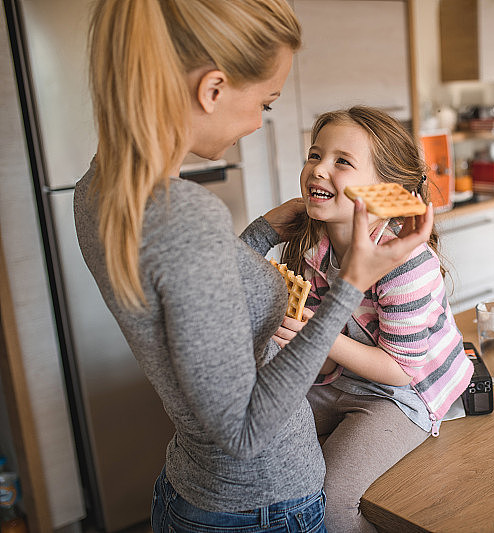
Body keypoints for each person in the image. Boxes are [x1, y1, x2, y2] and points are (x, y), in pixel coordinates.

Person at [74, 2, 433, 532]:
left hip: (193, 485)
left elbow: (197, 294)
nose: (254, 125)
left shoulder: (98, 189)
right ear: (213, 89)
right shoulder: (185, 218)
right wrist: (349, 284)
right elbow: (244, 430)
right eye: (266, 104)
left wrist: (261, 234)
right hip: (261, 508)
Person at [271, 106, 473, 533]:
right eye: (314, 155)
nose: (318, 169)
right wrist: (296, 339)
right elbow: (325, 364)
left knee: (331, 498)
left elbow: (400, 370)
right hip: (341, 379)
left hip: (404, 394)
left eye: (342, 161)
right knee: (272, 450)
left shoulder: (406, 263)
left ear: (386, 192)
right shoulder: (316, 254)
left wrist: (316, 336)